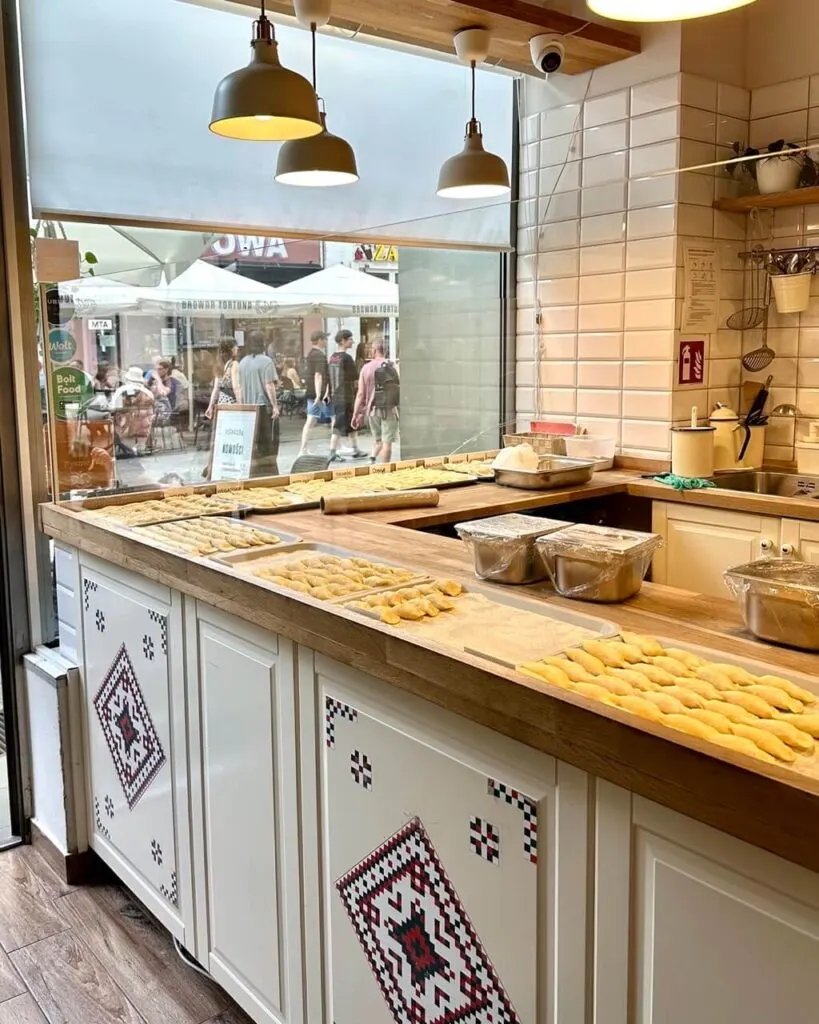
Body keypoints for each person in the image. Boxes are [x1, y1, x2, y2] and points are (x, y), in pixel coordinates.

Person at [238, 329, 280, 476]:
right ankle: (269, 473)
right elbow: (269, 385)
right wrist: (275, 406)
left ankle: (254, 472)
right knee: (268, 444)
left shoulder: (242, 362)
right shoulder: (266, 361)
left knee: (252, 442)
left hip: (248, 408)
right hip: (263, 407)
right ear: (263, 343)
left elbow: (240, 388)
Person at [352, 340, 400, 464]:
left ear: (373, 351)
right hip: (389, 409)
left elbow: (360, 394)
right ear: (386, 350)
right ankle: (385, 469)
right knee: (387, 443)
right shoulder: (393, 365)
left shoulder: (365, 368)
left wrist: (355, 414)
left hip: (372, 410)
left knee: (378, 441)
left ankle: (372, 460)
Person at [328, 329, 365, 462]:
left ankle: (355, 448)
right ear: (343, 341)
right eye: (350, 339)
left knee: (351, 423)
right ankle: (332, 452)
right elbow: (355, 378)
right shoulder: (347, 358)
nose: (352, 341)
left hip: (336, 395)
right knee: (339, 425)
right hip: (346, 395)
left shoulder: (332, 357)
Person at [299, 330, 330, 456]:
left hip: (318, 393)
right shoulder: (319, 355)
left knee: (316, 420)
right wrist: (319, 394)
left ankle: (304, 449)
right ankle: (303, 449)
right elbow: (318, 375)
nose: (326, 341)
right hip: (318, 394)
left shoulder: (311, 354)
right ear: (320, 340)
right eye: (325, 339)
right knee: (311, 420)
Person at [205, 338, 239, 418]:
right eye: (235, 346)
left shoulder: (219, 366)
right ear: (231, 350)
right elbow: (236, 387)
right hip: (232, 402)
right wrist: (241, 405)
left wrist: (210, 406)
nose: (237, 348)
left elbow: (216, 389)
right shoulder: (234, 364)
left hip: (222, 403)